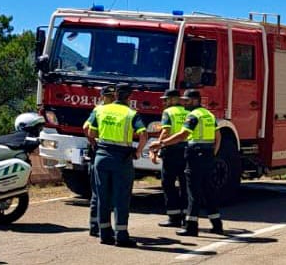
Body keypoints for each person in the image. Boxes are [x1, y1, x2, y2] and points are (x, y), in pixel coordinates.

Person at [150, 89, 223, 237]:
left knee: (193, 192)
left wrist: (161, 143)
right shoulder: (209, 114)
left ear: (196, 100)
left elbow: (183, 135)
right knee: (208, 190)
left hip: (196, 155)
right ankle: (217, 225)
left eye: (187, 100)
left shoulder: (194, 115)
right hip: (208, 155)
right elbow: (218, 136)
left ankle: (191, 226)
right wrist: (213, 153)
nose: (184, 103)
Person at [86, 83, 147, 247]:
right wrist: (138, 152)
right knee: (121, 197)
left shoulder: (100, 110)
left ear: (115, 95)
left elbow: (89, 131)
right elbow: (143, 134)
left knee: (102, 196)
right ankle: (121, 235)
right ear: (129, 97)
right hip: (122, 159)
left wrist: (95, 146)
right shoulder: (131, 113)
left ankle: (104, 234)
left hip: (101, 156)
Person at [153, 89, 188, 228]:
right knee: (185, 185)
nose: (164, 102)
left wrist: (157, 146)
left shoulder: (169, 112)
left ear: (174, 99)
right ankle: (186, 216)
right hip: (186, 151)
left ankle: (174, 217)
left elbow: (166, 132)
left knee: (168, 183)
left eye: (166, 99)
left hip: (172, 151)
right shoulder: (188, 112)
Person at [83, 84, 115, 237]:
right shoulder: (101, 110)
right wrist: (94, 143)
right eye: (109, 96)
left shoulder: (98, 110)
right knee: (103, 192)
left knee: (98, 191)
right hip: (104, 152)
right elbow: (86, 128)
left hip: (99, 152)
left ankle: (95, 225)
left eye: (111, 96)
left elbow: (86, 128)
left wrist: (93, 142)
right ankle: (99, 225)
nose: (110, 98)